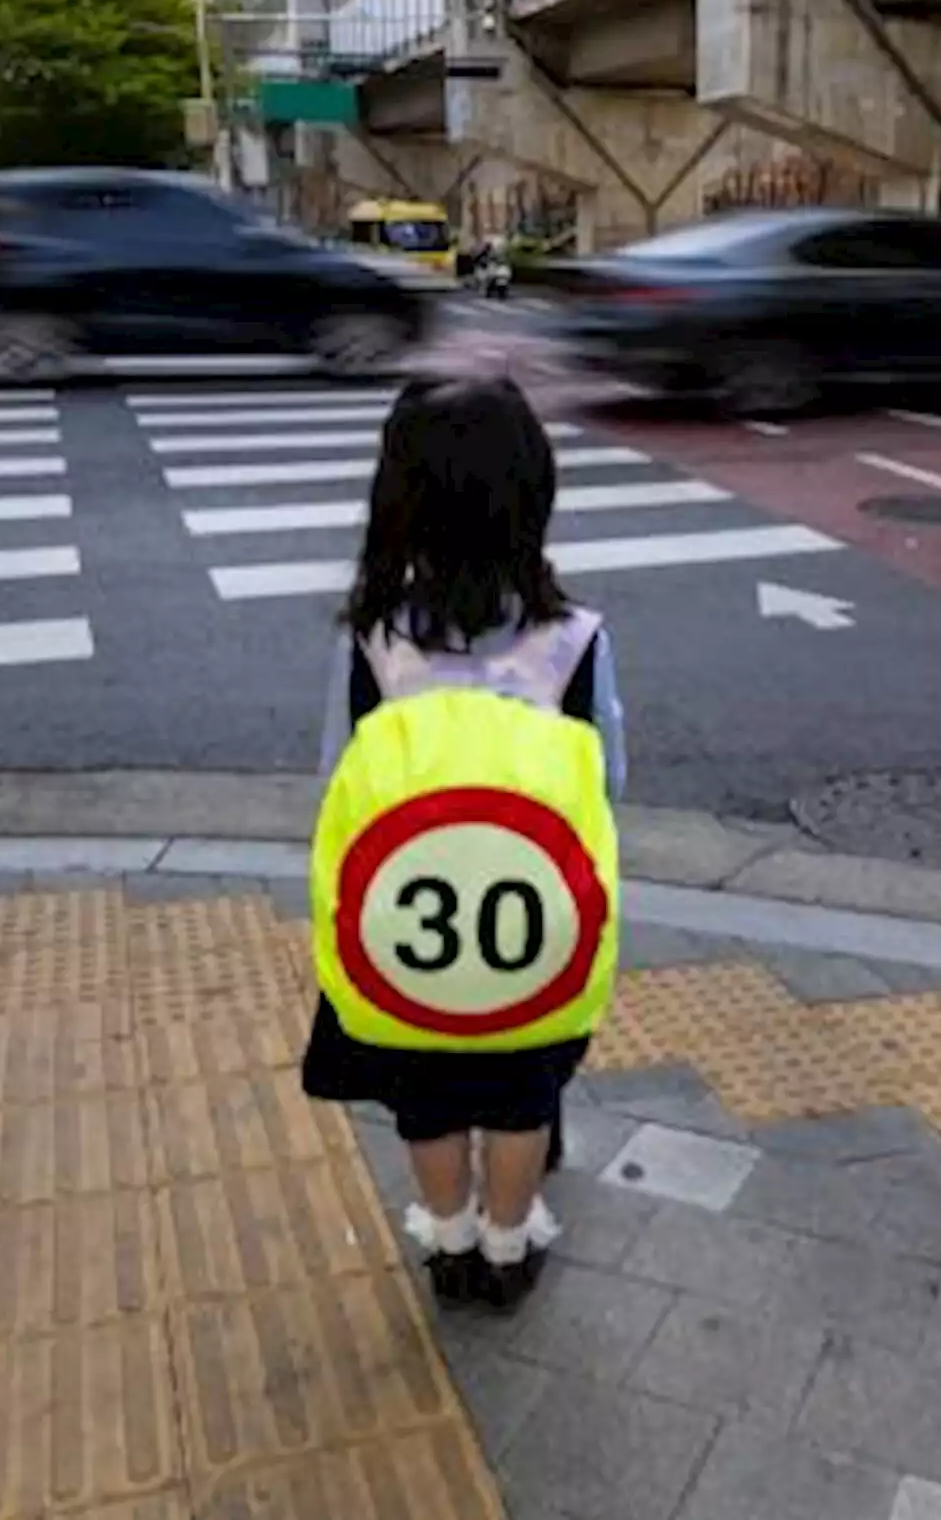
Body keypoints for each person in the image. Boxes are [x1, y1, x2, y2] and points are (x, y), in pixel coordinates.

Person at [304, 374, 626, 1311]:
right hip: (537, 933)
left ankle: (446, 1245)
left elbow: (337, 780)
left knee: (429, 1099)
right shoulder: (574, 639)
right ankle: (506, 1244)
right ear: (534, 497)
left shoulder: (373, 639)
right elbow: (608, 778)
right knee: (522, 1095)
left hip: (405, 929)